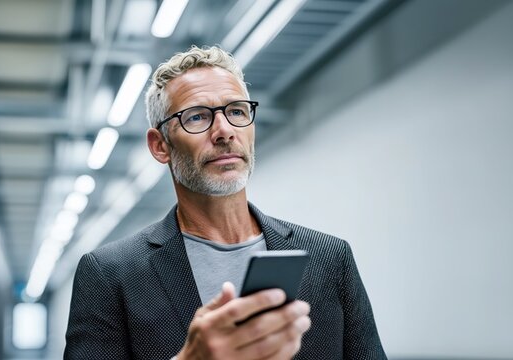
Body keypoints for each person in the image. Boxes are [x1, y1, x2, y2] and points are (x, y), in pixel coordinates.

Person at [64, 46, 385, 360]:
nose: (224, 131)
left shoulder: (329, 258)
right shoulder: (110, 274)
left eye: (236, 111)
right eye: (197, 117)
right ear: (160, 145)